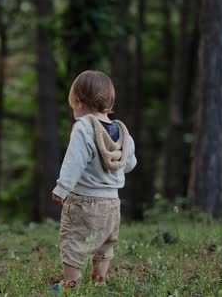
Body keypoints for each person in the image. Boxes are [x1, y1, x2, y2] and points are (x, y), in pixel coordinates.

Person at [50, 70, 137, 293]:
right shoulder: (122, 132)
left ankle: (71, 286)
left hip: (84, 202)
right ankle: (99, 281)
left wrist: (62, 188)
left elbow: (74, 161)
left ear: (78, 101)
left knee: (74, 244)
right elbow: (129, 164)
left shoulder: (84, 127)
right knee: (105, 245)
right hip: (112, 204)